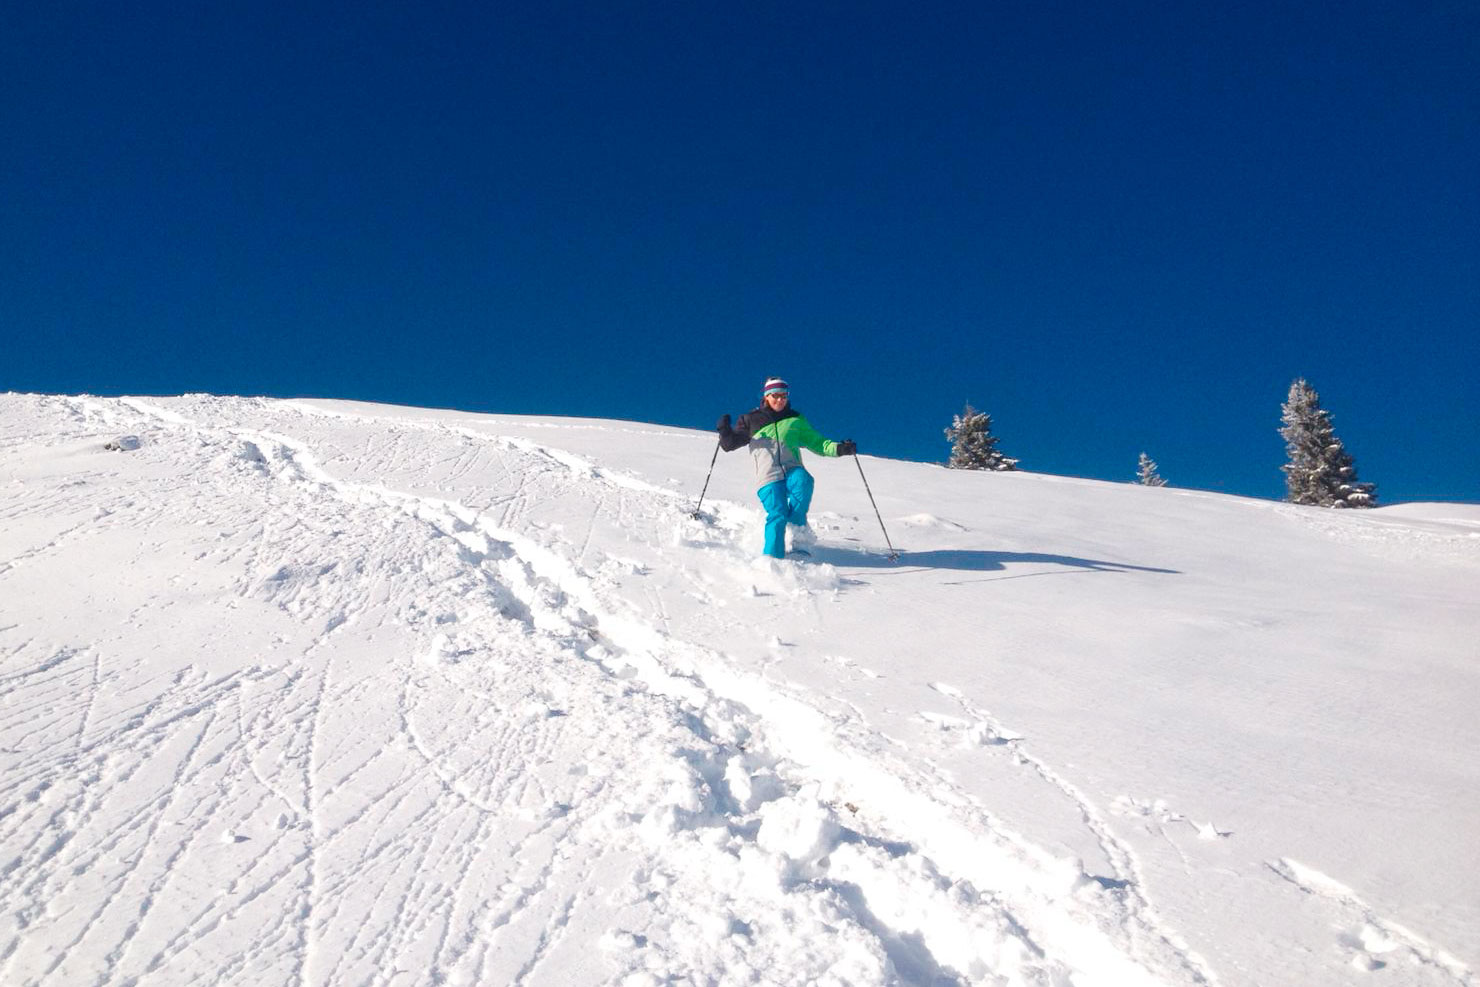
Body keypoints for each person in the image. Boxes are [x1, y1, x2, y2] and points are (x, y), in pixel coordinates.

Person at [717, 377, 857, 559]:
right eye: (776, 395)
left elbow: (817, 442)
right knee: (778, 512)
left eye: (784, 395)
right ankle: (772, 558)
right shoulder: (751, 419)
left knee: (803, 480)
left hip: (792, 467)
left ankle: (797, 541)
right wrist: (724, 431)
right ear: (767, 396)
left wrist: (840, 448)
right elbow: (730, 444)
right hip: (768, 475)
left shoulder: (795, 419)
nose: (780, 400)